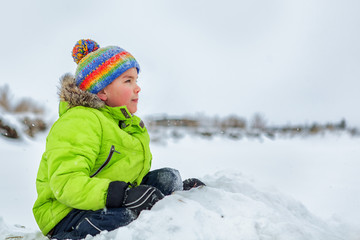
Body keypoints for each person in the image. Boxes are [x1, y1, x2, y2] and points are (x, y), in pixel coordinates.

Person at [32, 39, 205, 239]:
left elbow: (130, 177)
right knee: (122, 219)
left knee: (168, 177)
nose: (137, 88)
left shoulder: (127, 125)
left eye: (136, 80)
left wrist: (171, 192)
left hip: (107, 200)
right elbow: (66, 183)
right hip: (66, 212)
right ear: (102, 90)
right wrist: (122, 196)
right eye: (128, 81)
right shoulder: (79, 121)